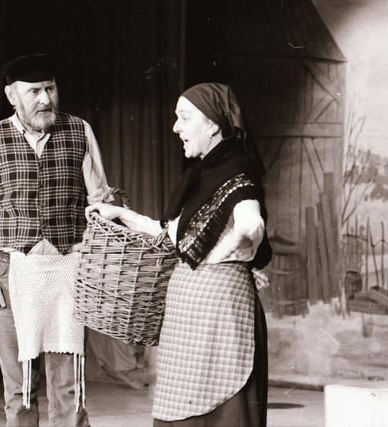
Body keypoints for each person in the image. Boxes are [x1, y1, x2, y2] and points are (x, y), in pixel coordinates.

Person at [88, 83, 272, 427]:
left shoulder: (238, 173)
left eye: (184, 118)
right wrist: (123, 216)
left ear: (213, 125)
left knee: (221, 408)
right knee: (181, 407)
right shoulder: (202, 176)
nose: (176, 128)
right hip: (187, 315)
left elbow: (251, 218)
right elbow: (173, 232)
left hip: (220, 314)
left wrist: (249, 235)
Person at [0, 53, 113, 427]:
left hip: (68, 272)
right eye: (34, 92)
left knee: (68, 387)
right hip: (12, 272)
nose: (45, 100)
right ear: (12, 95)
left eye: (50, 89)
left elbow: (100, 203)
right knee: (20, 388)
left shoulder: (79, 131)